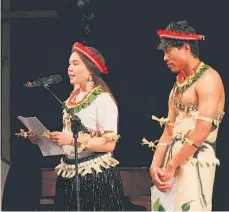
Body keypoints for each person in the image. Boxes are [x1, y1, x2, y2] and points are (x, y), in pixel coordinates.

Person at [29, 42, 125, 211]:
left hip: (94, 176)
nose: (69, 68)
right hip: (68, 175)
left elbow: (110, 144)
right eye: (69, 64)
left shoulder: (102, 100)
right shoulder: (70, 101)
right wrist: (43, 139)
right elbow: (67, 143)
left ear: (90, 70)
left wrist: (72, 140)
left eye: (75, 63)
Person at [142, 20, 225, 211]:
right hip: (172, 158)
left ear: (186, 48)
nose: (165, 58)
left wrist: (171, 167)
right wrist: (155, 165)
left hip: (196, 158)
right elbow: (168, 130)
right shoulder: (178, 85)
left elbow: (202, 131)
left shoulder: (209, 78)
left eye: (168, 51)